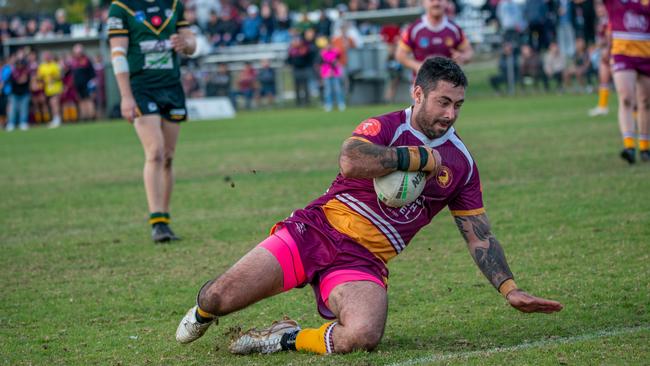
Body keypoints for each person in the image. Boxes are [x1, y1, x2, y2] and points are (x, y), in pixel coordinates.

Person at [175, 57, 564, 355]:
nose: (451, 114)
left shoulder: (462, 164)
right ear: (418, 93)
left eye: (458, 105)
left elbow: (478, 233)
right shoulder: (385, 127)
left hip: (361, 261)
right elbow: (351, 159)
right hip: (315, 231)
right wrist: (417, 159)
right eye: (443, 102)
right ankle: (204, 312)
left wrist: (509, 288)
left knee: (363, 335)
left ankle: (282, 339)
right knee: (217, 297)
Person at [107, 0, 197, 242]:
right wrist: (126, 96)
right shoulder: (121, 8)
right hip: (141, 87)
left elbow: (191, 43)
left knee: (168, 156)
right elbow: (118, 54)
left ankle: (165, 220)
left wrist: (185, 43)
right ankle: (156, 221)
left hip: (171, 86)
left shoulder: (174, 4)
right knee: (155, 152)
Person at [603, 0, 650, 163]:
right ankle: (629, 146)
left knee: (645, 101)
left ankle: (645, 146)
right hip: (622, 52)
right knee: (626, 98)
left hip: (646, 53)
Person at [395, 0, 473, 76]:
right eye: (431, 0)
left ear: (446, 2)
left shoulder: (454, 29)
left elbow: (469, 52)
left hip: (449, 83)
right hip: (422, 85)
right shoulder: (414, 29)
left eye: (439, 0)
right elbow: (400, 55)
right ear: (424, 2)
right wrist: (417, 66)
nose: (436, 3)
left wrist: (463, 57)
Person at [588, 2, 611, 117]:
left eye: (601, 6)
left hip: (615, 54)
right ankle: (602, 106)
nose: (599, 9)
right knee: (603, 79)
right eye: (597, 7)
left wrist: (602, 47)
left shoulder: (610, 19)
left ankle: (636, 112)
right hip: (605, 54)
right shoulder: (600, 22)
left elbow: (609, 39)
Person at [70, 44, 96, 121]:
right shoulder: (74, 62)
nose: (78, 54)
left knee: (88, 100)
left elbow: (92, 74)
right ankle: (84, 116)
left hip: (87, 84)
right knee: (81, 100)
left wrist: (92, 86)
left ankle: (91, 116)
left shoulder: (87, 60)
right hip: (78, 85)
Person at [37, 51, 63, 128]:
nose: (46, 57)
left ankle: (57, 119)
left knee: (54, 103)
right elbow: (39, 77)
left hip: (55, 88)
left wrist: (53, 78)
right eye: (45, 56)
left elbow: (59, 76)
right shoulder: (42, 66)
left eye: (48, 56)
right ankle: (54, 118)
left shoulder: (55, 65)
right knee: (50, 105)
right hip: (47, 89)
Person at [6, 53, 31, 131]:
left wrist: (21, 80)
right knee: (12, 109)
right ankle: (11, 123)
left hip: (24, 92)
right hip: (14, 93)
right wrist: (19, 80)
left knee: (24, 109)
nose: (20, 65)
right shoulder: (13, 72)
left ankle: (23, 122)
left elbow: (26, 80)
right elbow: (13, 81)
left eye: (21, 64)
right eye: (18, 64)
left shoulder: (26, 71)